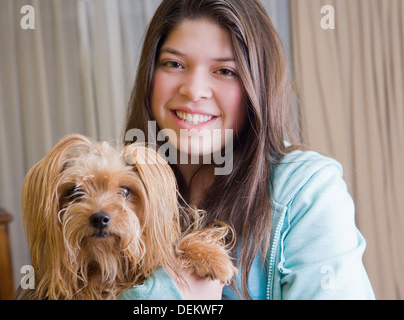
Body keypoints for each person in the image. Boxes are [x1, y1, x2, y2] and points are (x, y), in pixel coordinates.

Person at [121, 0, 375, 299]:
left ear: (257, 86)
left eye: (225, 70)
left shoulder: (306, 191)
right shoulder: (114, 193)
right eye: (174, 64)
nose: (194, 89)